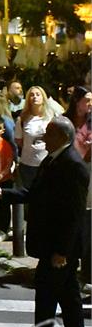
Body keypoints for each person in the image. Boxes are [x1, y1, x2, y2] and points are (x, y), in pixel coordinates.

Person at [0, 117, 89, 327]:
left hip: (59, 248)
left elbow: (73, 214)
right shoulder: (52, 161)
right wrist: (4, 194)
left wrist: (62, 251)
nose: (43, 137)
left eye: (48, 133)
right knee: (69, 298)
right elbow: (34, 194)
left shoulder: (72, 166)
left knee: (46, 296)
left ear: (62, 137)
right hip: (53, 245)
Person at [64, 86, 92, 289]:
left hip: (88, 174)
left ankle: (86, 271)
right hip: (69, 175)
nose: (90, 104)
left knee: (88, 221)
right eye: (87, 100)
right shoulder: (66, 122)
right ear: (77, 101)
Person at [15, 85, 53, 189]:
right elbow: (19, 140)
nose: (35, 97)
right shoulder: (22, 119)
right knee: (29, 197)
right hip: (28, 164)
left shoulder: (51, 117)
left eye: (38, 94)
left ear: (43, 97)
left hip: (47, 164)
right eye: (31, 95)